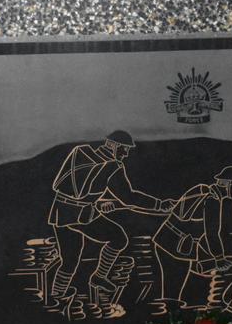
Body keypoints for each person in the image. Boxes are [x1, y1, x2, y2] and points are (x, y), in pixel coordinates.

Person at [46, 130, 170, 305]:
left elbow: (77, 192)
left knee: (70, 259)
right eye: (124, 149)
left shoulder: (80, 152)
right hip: (81, 216)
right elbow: (129, 197)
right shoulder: (112, 166)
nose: (126, 154)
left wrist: (99, 204)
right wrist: (159, 205)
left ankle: (56, 296)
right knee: (118, 238)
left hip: (60, 212)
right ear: (113, 146)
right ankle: (99, 276)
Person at [152, 165, 232, 306]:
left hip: (167, 242)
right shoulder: (212, 201)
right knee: (172, 293)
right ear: (228, 183)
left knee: (171, 290)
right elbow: (212, 233)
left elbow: (199, 230)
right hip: (175, 249)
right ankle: (168, 317)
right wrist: (220, 259)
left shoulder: (203, 190)